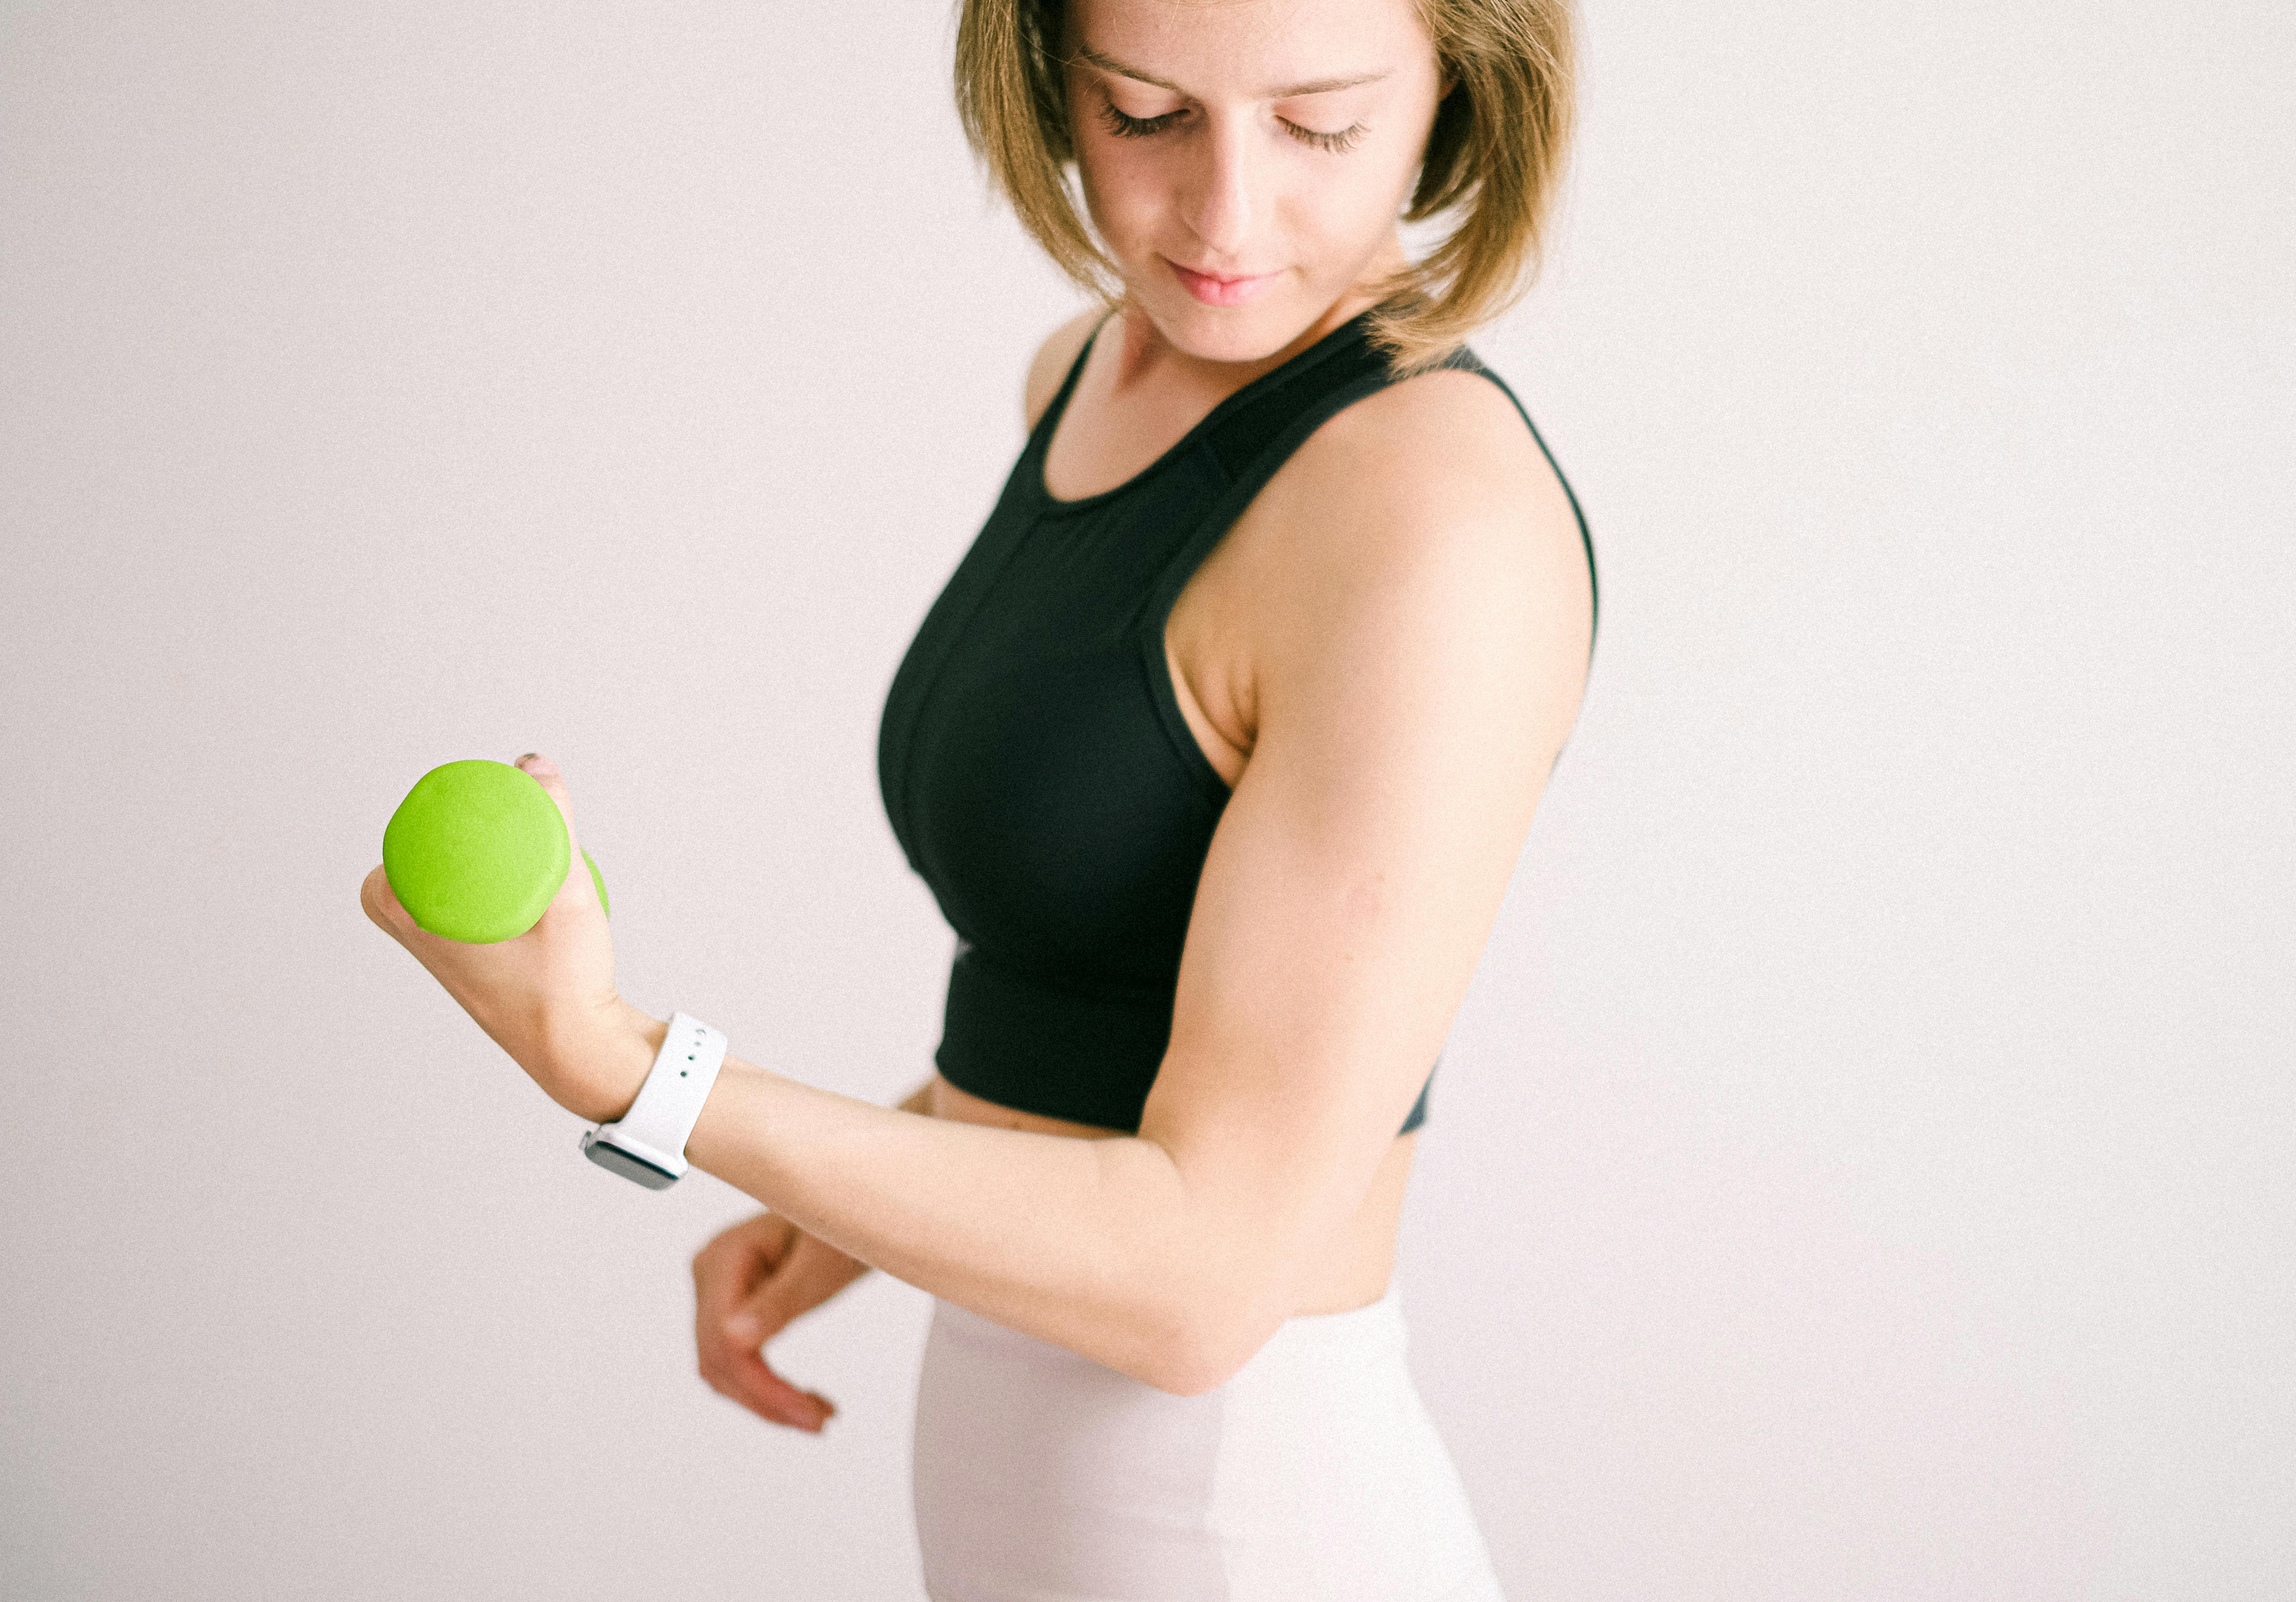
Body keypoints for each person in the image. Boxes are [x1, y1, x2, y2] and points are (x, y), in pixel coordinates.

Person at [366, 0, 1592, 1595]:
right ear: (1045, 79)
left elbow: (1203, 1281)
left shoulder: (1435, 522)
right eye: (1145, 113)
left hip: (1240, 1526)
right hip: (1039, 1509)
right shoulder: (1090, 373)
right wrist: (874, 1188)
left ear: (1458, 98)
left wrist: (633, 1075)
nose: (1223, 215)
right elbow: (1118, 983)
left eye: (1319, 125)